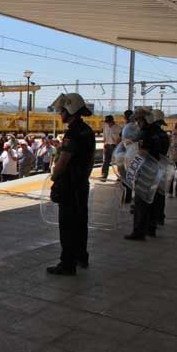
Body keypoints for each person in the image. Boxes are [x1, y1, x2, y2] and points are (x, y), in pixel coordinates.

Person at [46, 93, 96, 276]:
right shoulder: (87, 130)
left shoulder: (72, 132)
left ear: (70, 110)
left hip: (69, 185)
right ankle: (82, 256)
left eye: (62, 111)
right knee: (81, 222)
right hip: (82, 183)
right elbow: (89, 160)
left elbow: (64, 160)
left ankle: (67, 264)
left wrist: (54, 176)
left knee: (67, 224)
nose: (60, 115)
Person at [125, 108, 165, 241]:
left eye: (138, 120)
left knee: (141, 202)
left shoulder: (145, 133)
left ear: (143, 120)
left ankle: (139, 232)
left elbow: (142, 153)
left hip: (145, 171)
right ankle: (151, 228)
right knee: (151, 200)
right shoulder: (159, 133)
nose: (137, 123)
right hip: (156, 170)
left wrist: (132, 169)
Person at [150, 109, 170, 227]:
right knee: (160, 194)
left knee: (152, 194)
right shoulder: (164, 135)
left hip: (151, 168)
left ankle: (152, 222)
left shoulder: (150, 135)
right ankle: (160, 217)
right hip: (162, 166)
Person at [120, 110, 139, 203]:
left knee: (128, 176)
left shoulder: (127, 128)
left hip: (129, 154)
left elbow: (124, 141)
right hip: (135, 153)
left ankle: (127, 197)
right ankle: (129, 197)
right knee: (132, 176)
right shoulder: (136, 127)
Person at [101, 115, 122, 180]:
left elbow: (120, 138)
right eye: (107, 122)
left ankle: (119, 176)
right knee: (105, 161)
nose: (108, 123)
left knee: (118, 162)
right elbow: (104, 136)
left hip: (115, 146)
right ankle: (104, 175)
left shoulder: (118, 128)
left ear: (112, 121)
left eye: (109, 122)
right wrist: (104, 145)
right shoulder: (105, 127)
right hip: (107, 145)